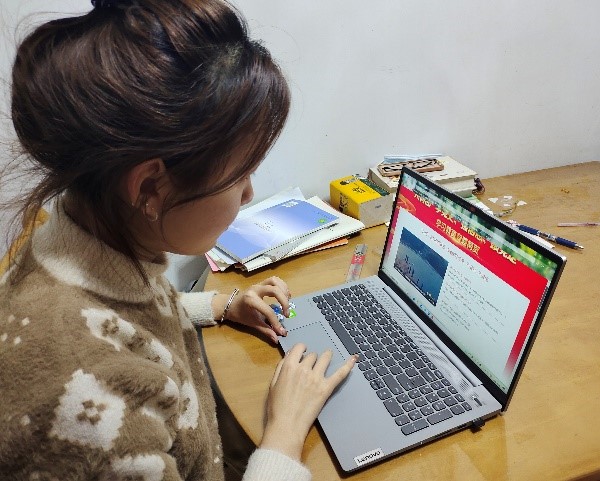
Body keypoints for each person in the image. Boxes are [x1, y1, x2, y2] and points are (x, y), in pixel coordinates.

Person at [0, 1, 357, 480]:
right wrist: (285, 432)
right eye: (240, 174)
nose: (249, 193)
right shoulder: (91, 408)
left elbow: (123, 312)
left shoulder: (74, 236)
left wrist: (220, 306)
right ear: (150, 188)